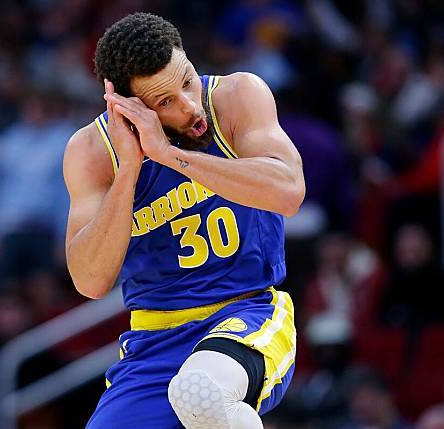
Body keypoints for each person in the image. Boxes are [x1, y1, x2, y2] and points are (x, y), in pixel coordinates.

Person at [63, 12, 305, 429]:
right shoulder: (92, 152)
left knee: (199, 391)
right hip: (153, 338)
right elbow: (90, 280)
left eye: (187, 81)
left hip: (246, 314)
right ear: (128, 107)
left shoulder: (236, 96)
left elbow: (289, 191)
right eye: (165, 102)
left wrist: (170, 155)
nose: (190, 105)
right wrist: (130, 169)